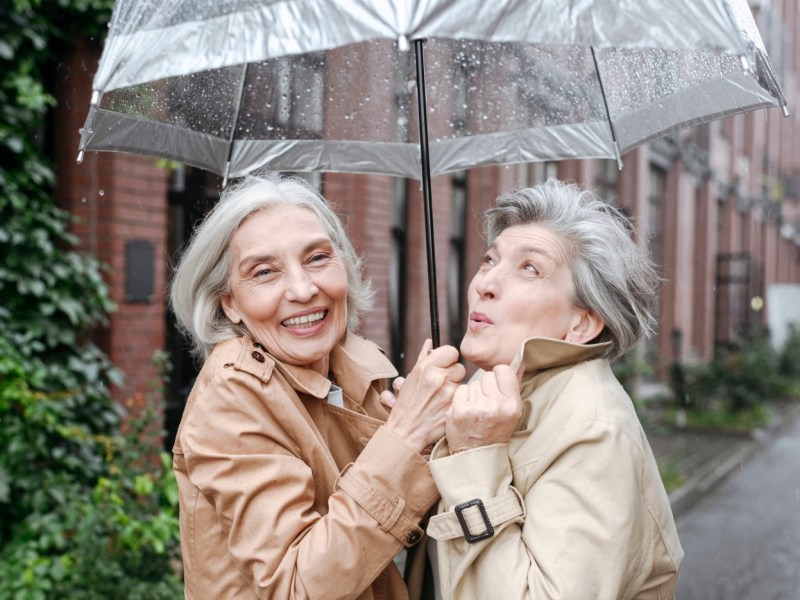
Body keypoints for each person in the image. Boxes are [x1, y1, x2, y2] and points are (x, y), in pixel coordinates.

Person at [169, 172, 464, 599]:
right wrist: (406, 435)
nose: (304, 289)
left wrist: (441, 439)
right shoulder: (232, 396)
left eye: (317, 258)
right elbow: (297, 586)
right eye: (265, 272)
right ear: (229, 303)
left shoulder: (355, 368)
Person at [424, 179, 683, 599]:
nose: (485, 283)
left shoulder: (594, 433)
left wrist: (473, 454)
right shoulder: (495, 384)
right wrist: (422, 444)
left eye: (530, 268)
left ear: (582, 322)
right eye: (490, 260)